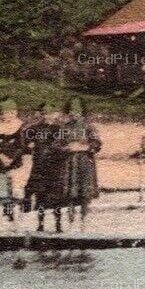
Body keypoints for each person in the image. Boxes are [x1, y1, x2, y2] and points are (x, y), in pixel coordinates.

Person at [58, 97, 102, 229]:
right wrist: (65, 148)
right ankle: (70, 222)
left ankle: (83, 222)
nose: (73, 114)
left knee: (84, 194)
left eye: (76, 111)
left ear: (82, 112)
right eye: (71, 111)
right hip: (69, 164)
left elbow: (97, 144)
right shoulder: (64, 128)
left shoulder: (89, 127)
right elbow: (57, 145)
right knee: (70, 195)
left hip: (84, 163)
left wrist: (83, 147)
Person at [22, 101, 65, 231]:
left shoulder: (59, 129)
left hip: (54, 166)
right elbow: (23, 144)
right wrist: (31, 149)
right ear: (40, 114)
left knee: (56, 195)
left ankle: (58, 225)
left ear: (54, 115)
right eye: (44, 114)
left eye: (49, 114)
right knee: (40, 194)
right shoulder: (33, 129)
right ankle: (40, 224)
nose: (47, 116)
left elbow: (63, 146)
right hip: (39, 165)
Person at [0, 97, 24, 219]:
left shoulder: (18, 127)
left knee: (16, 190)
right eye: (2, 113)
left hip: (15, 163)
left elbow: (21, 146)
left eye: (9, 113)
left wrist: (11, 159)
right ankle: (0, 216)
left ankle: (15, 215)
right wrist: (0, 156)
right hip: (0, 163)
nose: (5, 116)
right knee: (1, 190)